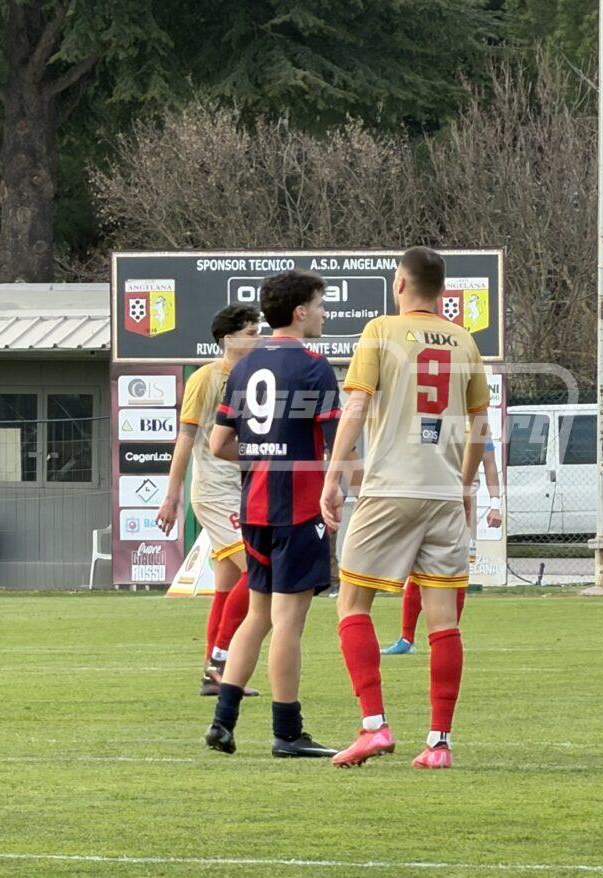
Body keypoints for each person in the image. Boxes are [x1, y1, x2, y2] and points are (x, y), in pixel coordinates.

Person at [322, 246, 491, 769]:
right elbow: (479, 426)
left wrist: (333, 475)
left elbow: (356, 405)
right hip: (443, 493)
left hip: (390, 487)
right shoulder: (465, 340)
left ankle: (374, 726)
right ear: (442, 291)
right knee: (444, 622)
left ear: (400, 283)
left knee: (352, 604)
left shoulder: (380, 331)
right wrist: (465, 489)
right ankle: (439, 743)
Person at [204, 269, 341, 759]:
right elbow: (338, 443)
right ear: (300, 311)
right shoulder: (314, 367)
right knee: (288, 622)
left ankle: (223, 721)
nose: (323, 314)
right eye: (320, 306)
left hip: (255, 507)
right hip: (297, 508)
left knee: (258, 615)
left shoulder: (244, 367)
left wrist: (263, 457)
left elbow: (219, 443)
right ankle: (287, 731)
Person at [157, 304, 262, 697]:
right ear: (228, 338)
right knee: (260, 571)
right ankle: (219, 664)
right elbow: (186, 437)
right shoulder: (206, 378)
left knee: (227, 586)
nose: (258, 339)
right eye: (251, 332)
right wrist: (172, 494)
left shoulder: (256, 376)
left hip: (243, 489)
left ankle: (212, 676)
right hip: (217, 493)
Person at [382, 438, 502, 655]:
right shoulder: (434, 423)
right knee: (418, 569)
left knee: (458, 572)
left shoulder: (476, 424)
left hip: (463, 505)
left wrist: (495, 505)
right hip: (429, 501)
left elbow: (490, 462)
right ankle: (407, 639)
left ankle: (449, 637)